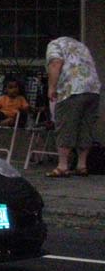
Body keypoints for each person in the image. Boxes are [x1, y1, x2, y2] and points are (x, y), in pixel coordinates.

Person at [45, 36, 101, 177]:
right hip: (92, 89)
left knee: (65, 125)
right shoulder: (80, 46)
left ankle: (62, 166)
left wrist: (51, 87)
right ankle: (82, 165)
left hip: (71, 89)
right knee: (85, 127)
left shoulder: (55, 44)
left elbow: (55, 64)